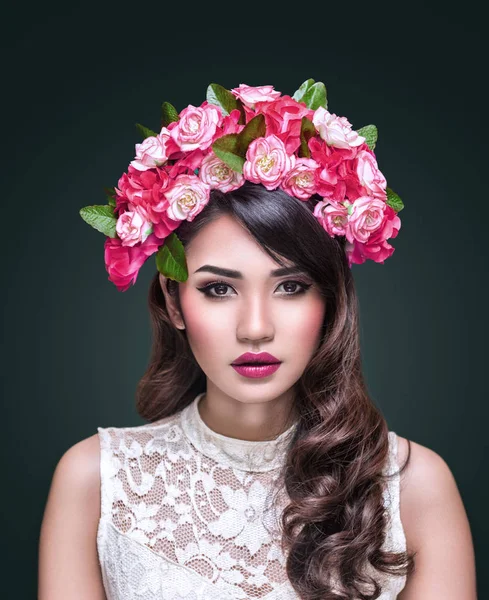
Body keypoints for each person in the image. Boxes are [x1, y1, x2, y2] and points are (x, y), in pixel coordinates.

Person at [38, 81, 477, 599]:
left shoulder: (413, 486)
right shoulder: (95, 480)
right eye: (219, 289)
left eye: (290, 287)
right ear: (174, 303)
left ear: (331, 301)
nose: (254, 327)